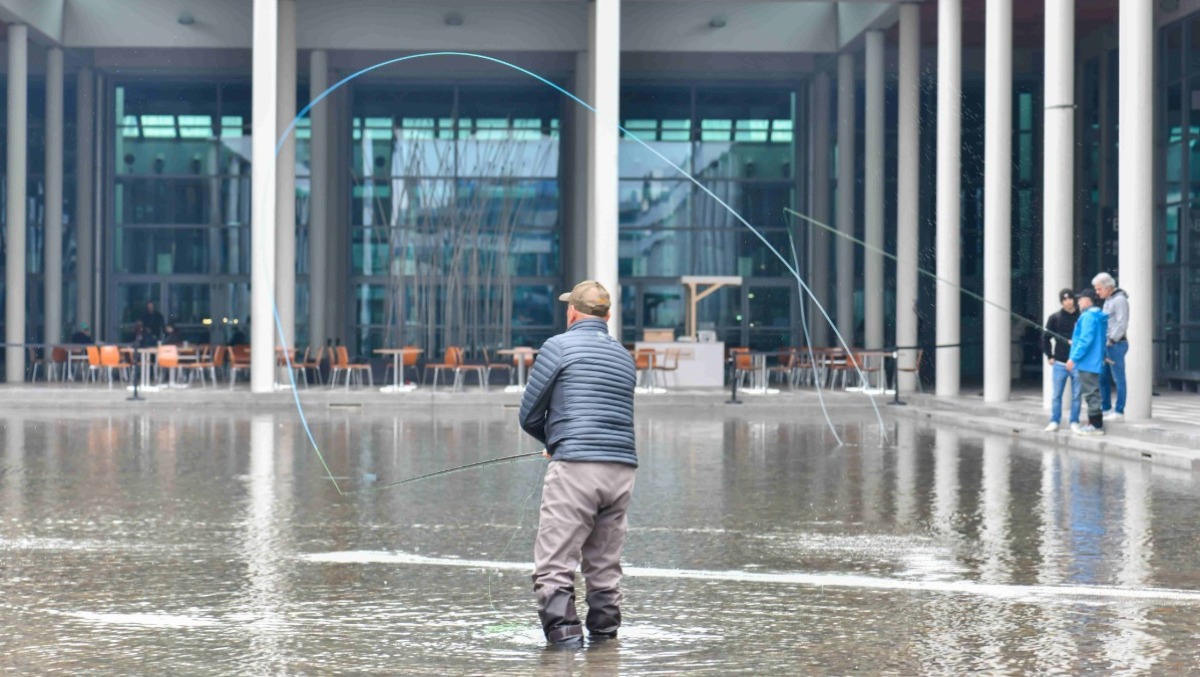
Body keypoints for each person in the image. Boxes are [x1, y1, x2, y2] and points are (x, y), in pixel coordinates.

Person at [518, 280, 638, 647]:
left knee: (554, 566)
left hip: (576, 469)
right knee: (604, 568)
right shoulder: (623, 355)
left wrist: (555, 444)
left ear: (572, 312)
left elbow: (528, 414)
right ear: (608, 315)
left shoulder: (558, 346)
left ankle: (564, 651)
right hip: (621, 470)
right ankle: (605, 646)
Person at [1066, 287, 1108, 437]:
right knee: (1092, 392)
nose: (1078, 301)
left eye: (1080, 299)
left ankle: (1096, 426)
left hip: (1087, 361)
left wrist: (1073, 358)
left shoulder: (1088, 317)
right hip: (1094, 360)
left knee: (1091, 393)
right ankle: (1093, 423)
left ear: (1087, 300)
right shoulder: (1098, 316)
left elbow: (1086, 340)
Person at [1042, 288, 1080, 433]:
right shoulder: (1055, 318)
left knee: (1076, 395)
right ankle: (1054, 421)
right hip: (1059, 362)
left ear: (1073, 299)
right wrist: (1049, 355)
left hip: (1077, 363)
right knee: (1056, 394)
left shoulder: (1081, 316)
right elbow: (1045, 338)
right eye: (1064, 299)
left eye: (1069, 298)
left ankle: (1074, 422)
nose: (1067, 302)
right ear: (1061, 302)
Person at [1092, 272, 1128, 422]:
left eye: (1099, 289)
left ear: (1108, 287)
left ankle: (1119, 411)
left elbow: (1122, 322)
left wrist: (1112, 340)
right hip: (1106, 344)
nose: (1097, 292)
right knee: (1102, 377)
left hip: (1115, 344)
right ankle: (1106, 408)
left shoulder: (1119, 300)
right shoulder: (1108, 300)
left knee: (1118, 378)